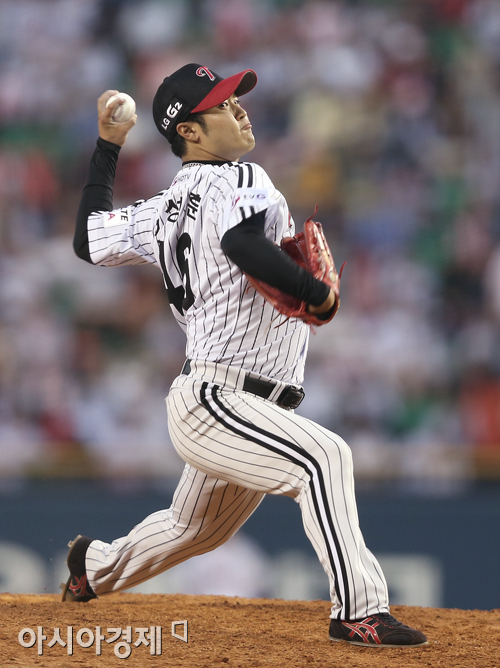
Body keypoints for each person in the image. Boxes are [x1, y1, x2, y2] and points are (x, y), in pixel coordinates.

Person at [62, 63, 427, 648]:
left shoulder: (161, 209)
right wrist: (314, 293)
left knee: (193, 529)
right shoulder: (239, 175)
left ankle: (92, 568)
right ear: (190, 132)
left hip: (225, 402)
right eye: (223, 106)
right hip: (219, 398)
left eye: (236, 99)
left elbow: (88, 238)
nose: (239, 110)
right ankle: (359, 611)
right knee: (323, 458)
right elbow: (240, 242)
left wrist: (108, 147)